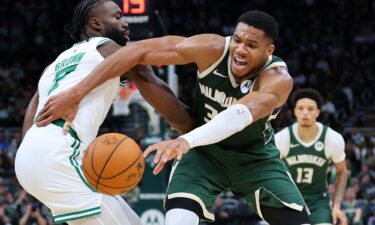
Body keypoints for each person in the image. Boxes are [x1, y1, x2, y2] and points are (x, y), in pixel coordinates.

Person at [35, 10, 311, 225]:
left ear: (268, 51)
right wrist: (77, 92)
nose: (239, 49)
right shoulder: (212, 48)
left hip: (253, 157)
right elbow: (136, 51)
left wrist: (186, 141)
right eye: (238, 39)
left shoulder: (277, 79)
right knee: (178, 219)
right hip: (203, 154)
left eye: (251, 45)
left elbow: (239, 114)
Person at [14, 0, 195, 224]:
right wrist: (197, 128)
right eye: (118, 17)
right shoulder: (110, 49)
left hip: (33, 154)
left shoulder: (54, 64)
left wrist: (34, 157)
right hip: (58, 154)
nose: (125, 23)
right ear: (96, 24)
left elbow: (33, 111)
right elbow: (164, 99)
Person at [275, 88, 348, 225]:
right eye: (301, 108)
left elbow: (342, 172)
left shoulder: (332, 139)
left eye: (310, 109)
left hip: (319, 202)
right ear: (295, 112)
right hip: (291, 202)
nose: (305, 113)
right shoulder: (282, 138)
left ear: (318, 112)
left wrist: (337, 206)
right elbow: (270, 174)